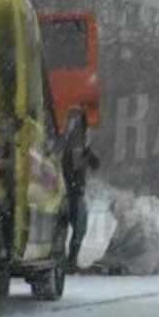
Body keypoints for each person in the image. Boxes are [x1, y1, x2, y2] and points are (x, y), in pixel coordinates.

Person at [83, 195, 159, 276]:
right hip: (143, 264)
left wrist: (109, 265)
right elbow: (113, 248)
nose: (116, 219)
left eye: (117, 215)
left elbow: (146, 258)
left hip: (139, 265)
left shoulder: (138, 226)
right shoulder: (128, 223)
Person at [61, 109, 100, 272]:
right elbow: (73, 163)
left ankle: (69, 260)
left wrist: (90, 156)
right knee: (76, 225)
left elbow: (91, 161)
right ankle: (68, 260)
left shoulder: (79, 140)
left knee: (75, 226)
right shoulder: (73, 139)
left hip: (72, 190)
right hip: (70, 190)